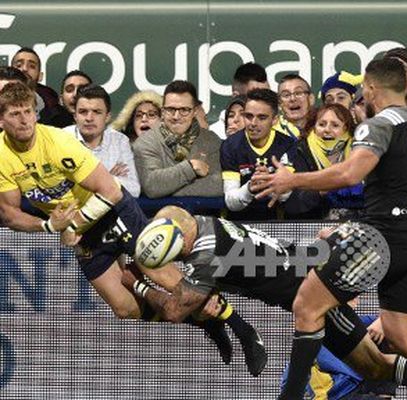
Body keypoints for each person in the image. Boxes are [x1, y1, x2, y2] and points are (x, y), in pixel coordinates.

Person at [253, 58, 407, 400]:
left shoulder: (377, 125)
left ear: (371, 88)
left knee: (306, 306)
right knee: (402, 335)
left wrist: (292, 179)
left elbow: (349, 174)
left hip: (382, 239)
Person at [0, 81, 264, 375]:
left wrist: (72, 224)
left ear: (36, 114)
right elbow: (9, 214)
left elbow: (111, 191)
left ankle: (243, 329)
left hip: (111, 211)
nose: (24, 120)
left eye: (28, 112)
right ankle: (205, 321)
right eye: (14, 114)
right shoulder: (2, 154)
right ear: (1, 120)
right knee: (125, 308)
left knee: (168, 278)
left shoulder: (58, 143)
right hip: (80, 230)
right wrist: (49, 224)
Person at [129, 205, 407, 398]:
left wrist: (139, 286)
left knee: (375, 362)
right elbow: (166, 217)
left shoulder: (205, 263)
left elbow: (174, 311)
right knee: (372, 364)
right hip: (308, 260)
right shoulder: (187, 220)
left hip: (313, 285)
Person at [132, 80, 223, 199]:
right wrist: (190, 167)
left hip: (204, 215)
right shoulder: (145, 142)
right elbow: (152, 186)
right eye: (171, 109)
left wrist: (166, 190)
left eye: (184, 110)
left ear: (194, 111)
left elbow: (217, 185)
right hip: (157, 216)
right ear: (163, 111)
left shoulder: (210, 140)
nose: (176, 116)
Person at [220, 88, 296, 220]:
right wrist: (250, 188)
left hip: (277, 224)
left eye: (262, 117)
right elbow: (231, 202)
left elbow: (285, 196)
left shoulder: (287, 144)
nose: (253, 123)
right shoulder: (230, 145)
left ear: (275, 120)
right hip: (237, 224)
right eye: (248, 116)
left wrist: (269, 182)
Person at [284, 103, 361, 220]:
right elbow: (291, 203)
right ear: (313, 127)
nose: (327, 130)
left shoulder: (359, 151)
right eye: (321, 124)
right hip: (308, 225)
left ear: (346, 129)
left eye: (335, 125)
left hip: (354, 225)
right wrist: (322, 189)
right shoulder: (298, 152)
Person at [63, 84, 141, 197]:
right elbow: (58, 189)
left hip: (112, 211)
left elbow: (134, 190)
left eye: (97, 112)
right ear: (75, 116)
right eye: (83, 112)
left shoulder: (120, 141)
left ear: (107, 116)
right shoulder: (62, 138)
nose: (89, 118)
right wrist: (108, 178)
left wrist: (83, 183)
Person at [209, 62, 270, 140]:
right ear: (236, 96)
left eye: (267, 94)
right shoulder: (214, 136)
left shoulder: (279, 131)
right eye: (255, 96)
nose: (263, 101)